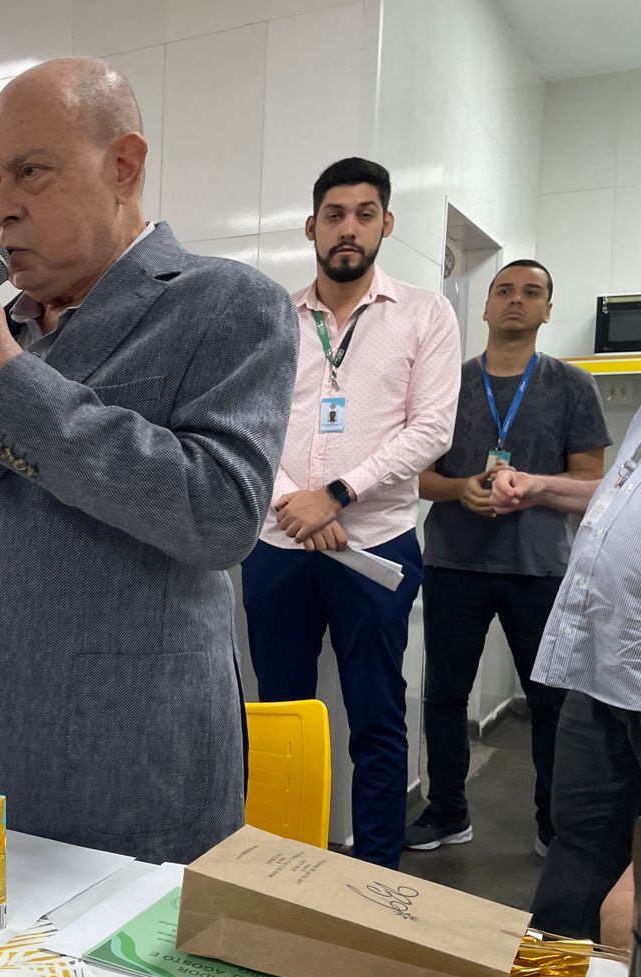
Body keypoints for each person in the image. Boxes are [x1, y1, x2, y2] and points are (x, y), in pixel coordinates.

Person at [0, 58, 297, 862]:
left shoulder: (225, 304)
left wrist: (8, 382)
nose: (1, 208)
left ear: (124, 166)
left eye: (30, 171)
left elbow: (220, 514)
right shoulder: (10, 328)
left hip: (121, 775)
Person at [241, 157, 461, 870]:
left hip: (375, 545)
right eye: (334, 215)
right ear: (312, 227)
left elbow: (431, 430)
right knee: (281, 716)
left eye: (365, 214)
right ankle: (279, 869)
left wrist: (335, 495)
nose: (348, 229)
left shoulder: (425, 313)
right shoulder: (274, 318)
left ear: (385, 224)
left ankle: (374, 879)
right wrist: (293, 503)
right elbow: (248, 423)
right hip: (278, 543)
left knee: (376, 715)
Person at [407, 260, 609, 855]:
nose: (516, 300)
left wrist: (534, 489)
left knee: (550, 700)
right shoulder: (448, 384)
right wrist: (460, 489)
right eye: (504, 290)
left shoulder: (573, 387)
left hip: (539, 567)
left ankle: (553, 823)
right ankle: (448, 811)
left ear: (548, 309)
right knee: (444, 695)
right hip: (453, 563)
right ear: (487, 307)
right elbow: (419, 475)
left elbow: (591, 481)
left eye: (531, 292)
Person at [491, 413, 641, 940]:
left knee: (624, 900)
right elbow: (623, 494)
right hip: (604, 662)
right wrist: (543, 488)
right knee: (579, 836)